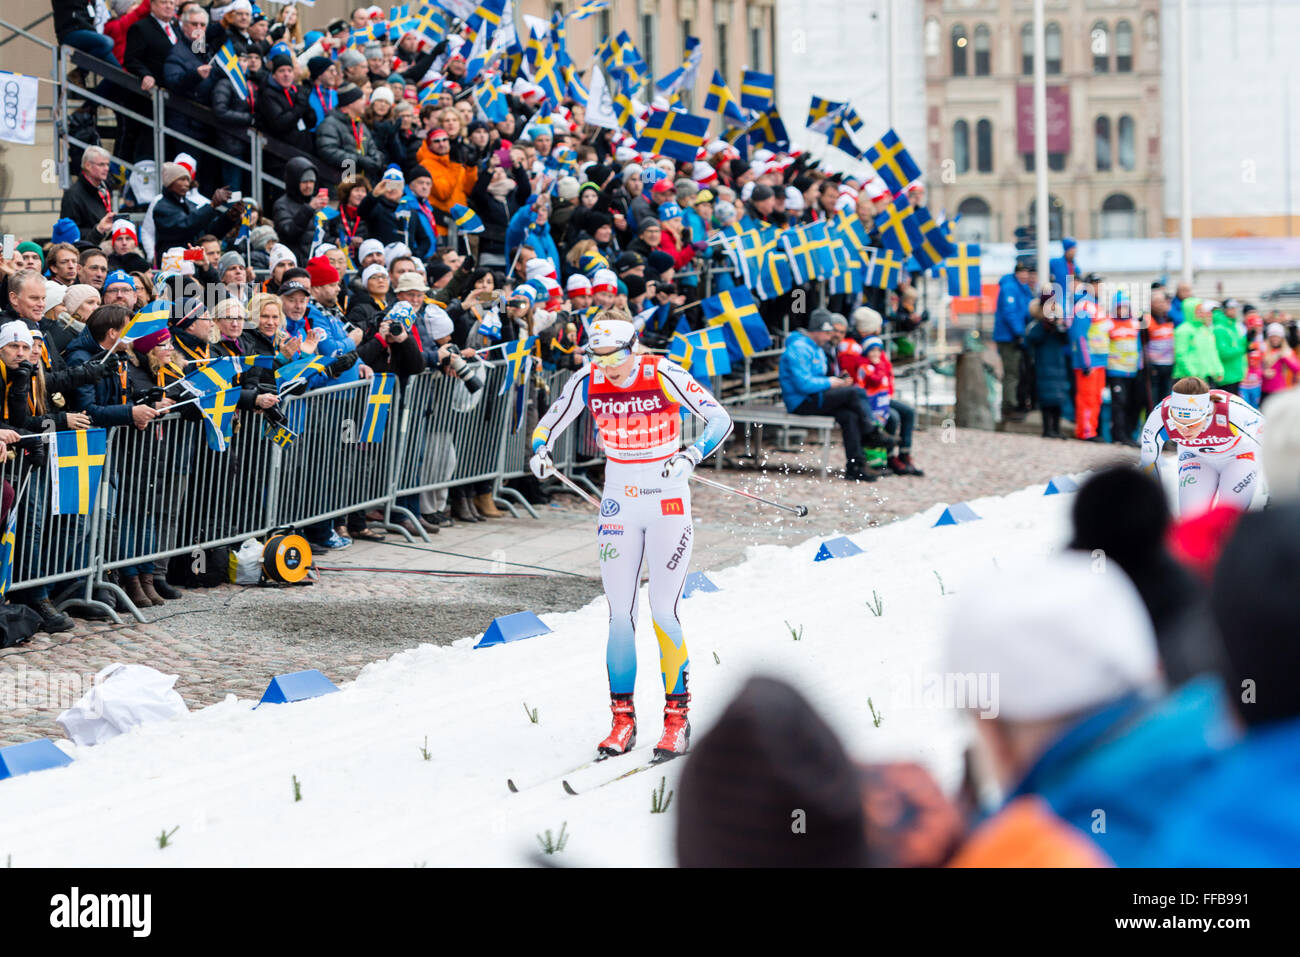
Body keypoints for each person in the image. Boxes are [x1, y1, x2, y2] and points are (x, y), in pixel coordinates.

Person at [528, 314, 733, 760]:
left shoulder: (662, 372)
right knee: (620, 614)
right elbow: (548, 422)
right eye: (597, 357)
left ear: (634, 347)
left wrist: (692, 455)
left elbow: (719, 418)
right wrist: (540, 449)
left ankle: (676, 720)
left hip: (667, 501)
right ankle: (622, 720)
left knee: (663, 610)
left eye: (616, 356)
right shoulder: (588, 380)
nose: (607, 366)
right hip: (619, 501)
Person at [1138, 376, 1264, 516]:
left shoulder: (1232, 410)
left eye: (1193, 424)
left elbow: (1271, 440)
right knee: (1192, 519)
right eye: (1178, 423)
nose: (1185, 430)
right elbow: (1149, 461)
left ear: (1207, 414)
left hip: (1238, 457)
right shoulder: (1159, 417)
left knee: (1229, 519)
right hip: (1196, 457)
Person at [779, 312, 878, 481]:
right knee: (855, 392)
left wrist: (836, 380)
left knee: (850, 416)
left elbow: (818, 378)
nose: (829, 336)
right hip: (801, 402)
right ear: (815, 331)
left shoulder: (815, 347)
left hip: (814, 397)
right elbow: (803, 385)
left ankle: (856, 466)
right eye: (826, 332)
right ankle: (871, 431)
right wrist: (831, 383)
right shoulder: (799, 348)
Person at [993, 259, 1034, 421]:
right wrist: (1019, 333)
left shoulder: (1022, 289)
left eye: (1026, 272)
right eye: (1022, 272)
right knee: (1012, 373)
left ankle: (1014, 403)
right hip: (1008, 337)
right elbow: (1011, 313)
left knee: (1017, 371)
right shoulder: (1010, 288)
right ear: (1017, 273)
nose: (1025, 275)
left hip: (1015, 336)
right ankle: (1009, 406)